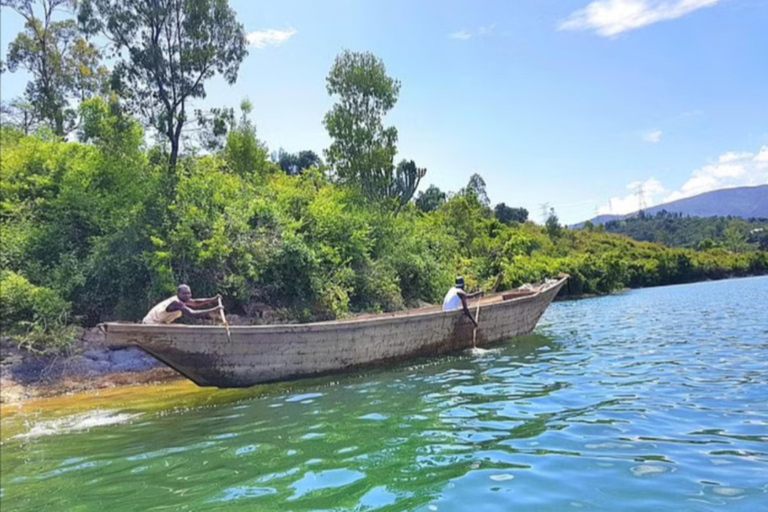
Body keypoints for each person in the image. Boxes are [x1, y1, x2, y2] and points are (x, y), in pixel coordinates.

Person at [142, 284, 224, 324]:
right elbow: (192, 313)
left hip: (160, 324)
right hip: (150, 324)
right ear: (178, 294)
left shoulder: (183, 300)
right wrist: (214, 309)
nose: (188, 296)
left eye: (189, 293)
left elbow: (195, 302)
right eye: (184, 294)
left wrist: (213, 299)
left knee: (179, 326)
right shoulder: (176, 303)